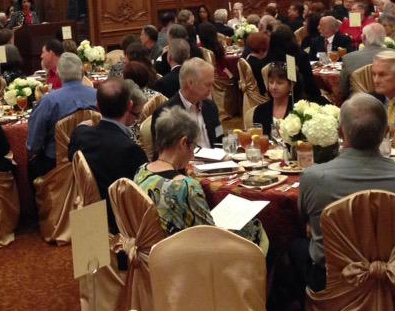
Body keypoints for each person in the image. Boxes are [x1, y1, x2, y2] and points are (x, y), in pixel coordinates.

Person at [295, 93, 395, 292]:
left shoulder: (313, 178)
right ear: (386, 133)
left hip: (330, 280)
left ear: (340, 133)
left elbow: (303, 220)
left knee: (291, 247)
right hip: (393, 279)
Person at [135, 106, 264, 246]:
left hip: (157, 252)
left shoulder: (141, 172)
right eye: (194, 146)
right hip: (189, 257)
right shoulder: (185, 186)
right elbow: (209, 237)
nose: (193, 154)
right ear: (184, 143)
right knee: (255, 226)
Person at [68, 78, 146, 231]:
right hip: (121, 223)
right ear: (130, 105)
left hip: (88, 218)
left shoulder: (79, 135)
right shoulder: (131, 150)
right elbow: (141, 196)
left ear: (98, 106)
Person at [26, 52, 97, 178]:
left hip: (56, 165)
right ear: (82, 72)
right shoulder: (98, 95)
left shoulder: (49, 101)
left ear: (58, 73)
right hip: (94, 160)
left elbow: (33, 144)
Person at [152, 57, 222, 149]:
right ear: (190, 83)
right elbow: (162, 153)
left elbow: (219, 136)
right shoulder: (165, 113)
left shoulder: (210, 107)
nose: (211, 89)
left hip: (217, 160)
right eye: (207, 84)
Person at [266, 25, 322, 103]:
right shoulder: (299, 56)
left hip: (273, 97)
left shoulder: (268, 57)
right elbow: (309, 83)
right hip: (298, 99)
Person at [338, 23, 387, 100]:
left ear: (363, 37)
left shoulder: (349, 58)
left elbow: (342, 90)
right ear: (384, 38)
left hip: (358, 102)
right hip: (390, 101)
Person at [252, 62, 293, 134]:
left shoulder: (298, 109)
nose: (274, 87)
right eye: (271, 82)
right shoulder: (260, 110)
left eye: (279, 83)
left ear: (291, 86)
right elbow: (257, 138)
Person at [242, 31, 271, 95]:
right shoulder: (260, 65)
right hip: (262, 94)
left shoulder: (248, 57)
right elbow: (265, 86)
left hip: (251, 93)